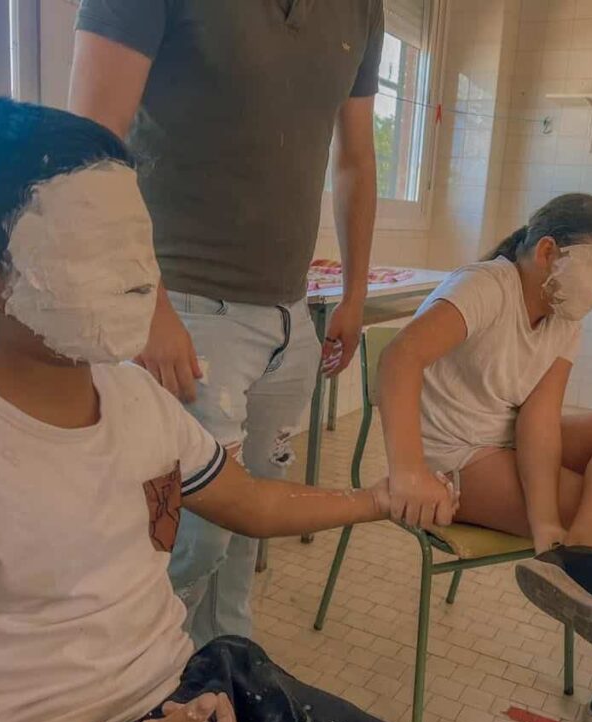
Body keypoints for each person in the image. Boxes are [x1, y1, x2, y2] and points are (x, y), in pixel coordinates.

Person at [0, 100, 476, 722]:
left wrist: (379, 498)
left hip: (186, 701)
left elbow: (250, 502)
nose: (142, 276)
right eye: (94, 249)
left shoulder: (135, 397)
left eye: (140, 242)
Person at [68, 0, 383, 648]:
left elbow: (355, 156)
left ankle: (227, 667)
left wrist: (353, 295)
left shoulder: (361, 10)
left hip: (290, 317)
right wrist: (148, 300)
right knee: (189, 541)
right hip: (183, 309)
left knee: (245, 532)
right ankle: (132, 681)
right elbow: (92, 137)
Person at [376, 194, 592, 722]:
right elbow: (399, 358)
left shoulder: (563, 318)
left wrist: (549, 522)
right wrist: (407, 471)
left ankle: (577, 557)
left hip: (503, 437)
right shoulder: (486, 286)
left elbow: (538, 420)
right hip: (452, 457)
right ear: (548, 252)